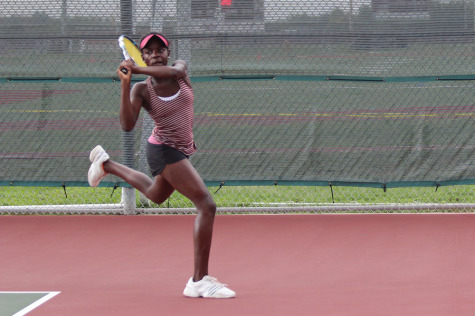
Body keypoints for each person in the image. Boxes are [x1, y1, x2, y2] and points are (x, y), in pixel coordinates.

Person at [87, 32, 235, 299]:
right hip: (163, 150)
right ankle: (199, 281)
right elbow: (127, 125)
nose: (155, 54)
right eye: (149, 51)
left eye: (160, 50)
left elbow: (171, 69)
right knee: (207, 205)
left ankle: (106, 164)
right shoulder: (141, 89)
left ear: (168, 53)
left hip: (180, 150)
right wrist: (126, 82)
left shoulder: (180, 70)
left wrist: (136, 67)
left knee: (156, 195)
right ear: (142, 55)